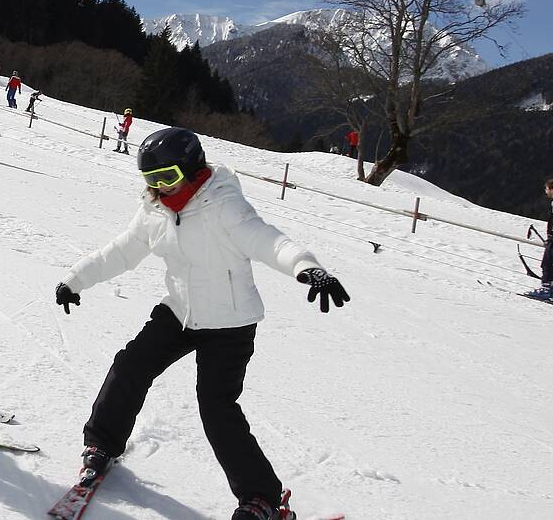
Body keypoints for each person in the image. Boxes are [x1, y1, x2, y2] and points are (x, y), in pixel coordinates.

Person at [54, 127, 347, 520]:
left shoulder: (224, 206)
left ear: (193, 171)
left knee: (216, 406)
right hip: (179, 311)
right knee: (130, 366)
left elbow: (268, 241)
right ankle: (101, 446)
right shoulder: (155, 209)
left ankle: (262, 499)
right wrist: (76, 279)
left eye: (168, 178)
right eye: (151, 180)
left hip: (230, 322)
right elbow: (123, 250)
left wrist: (308, 268)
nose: (160, 189)